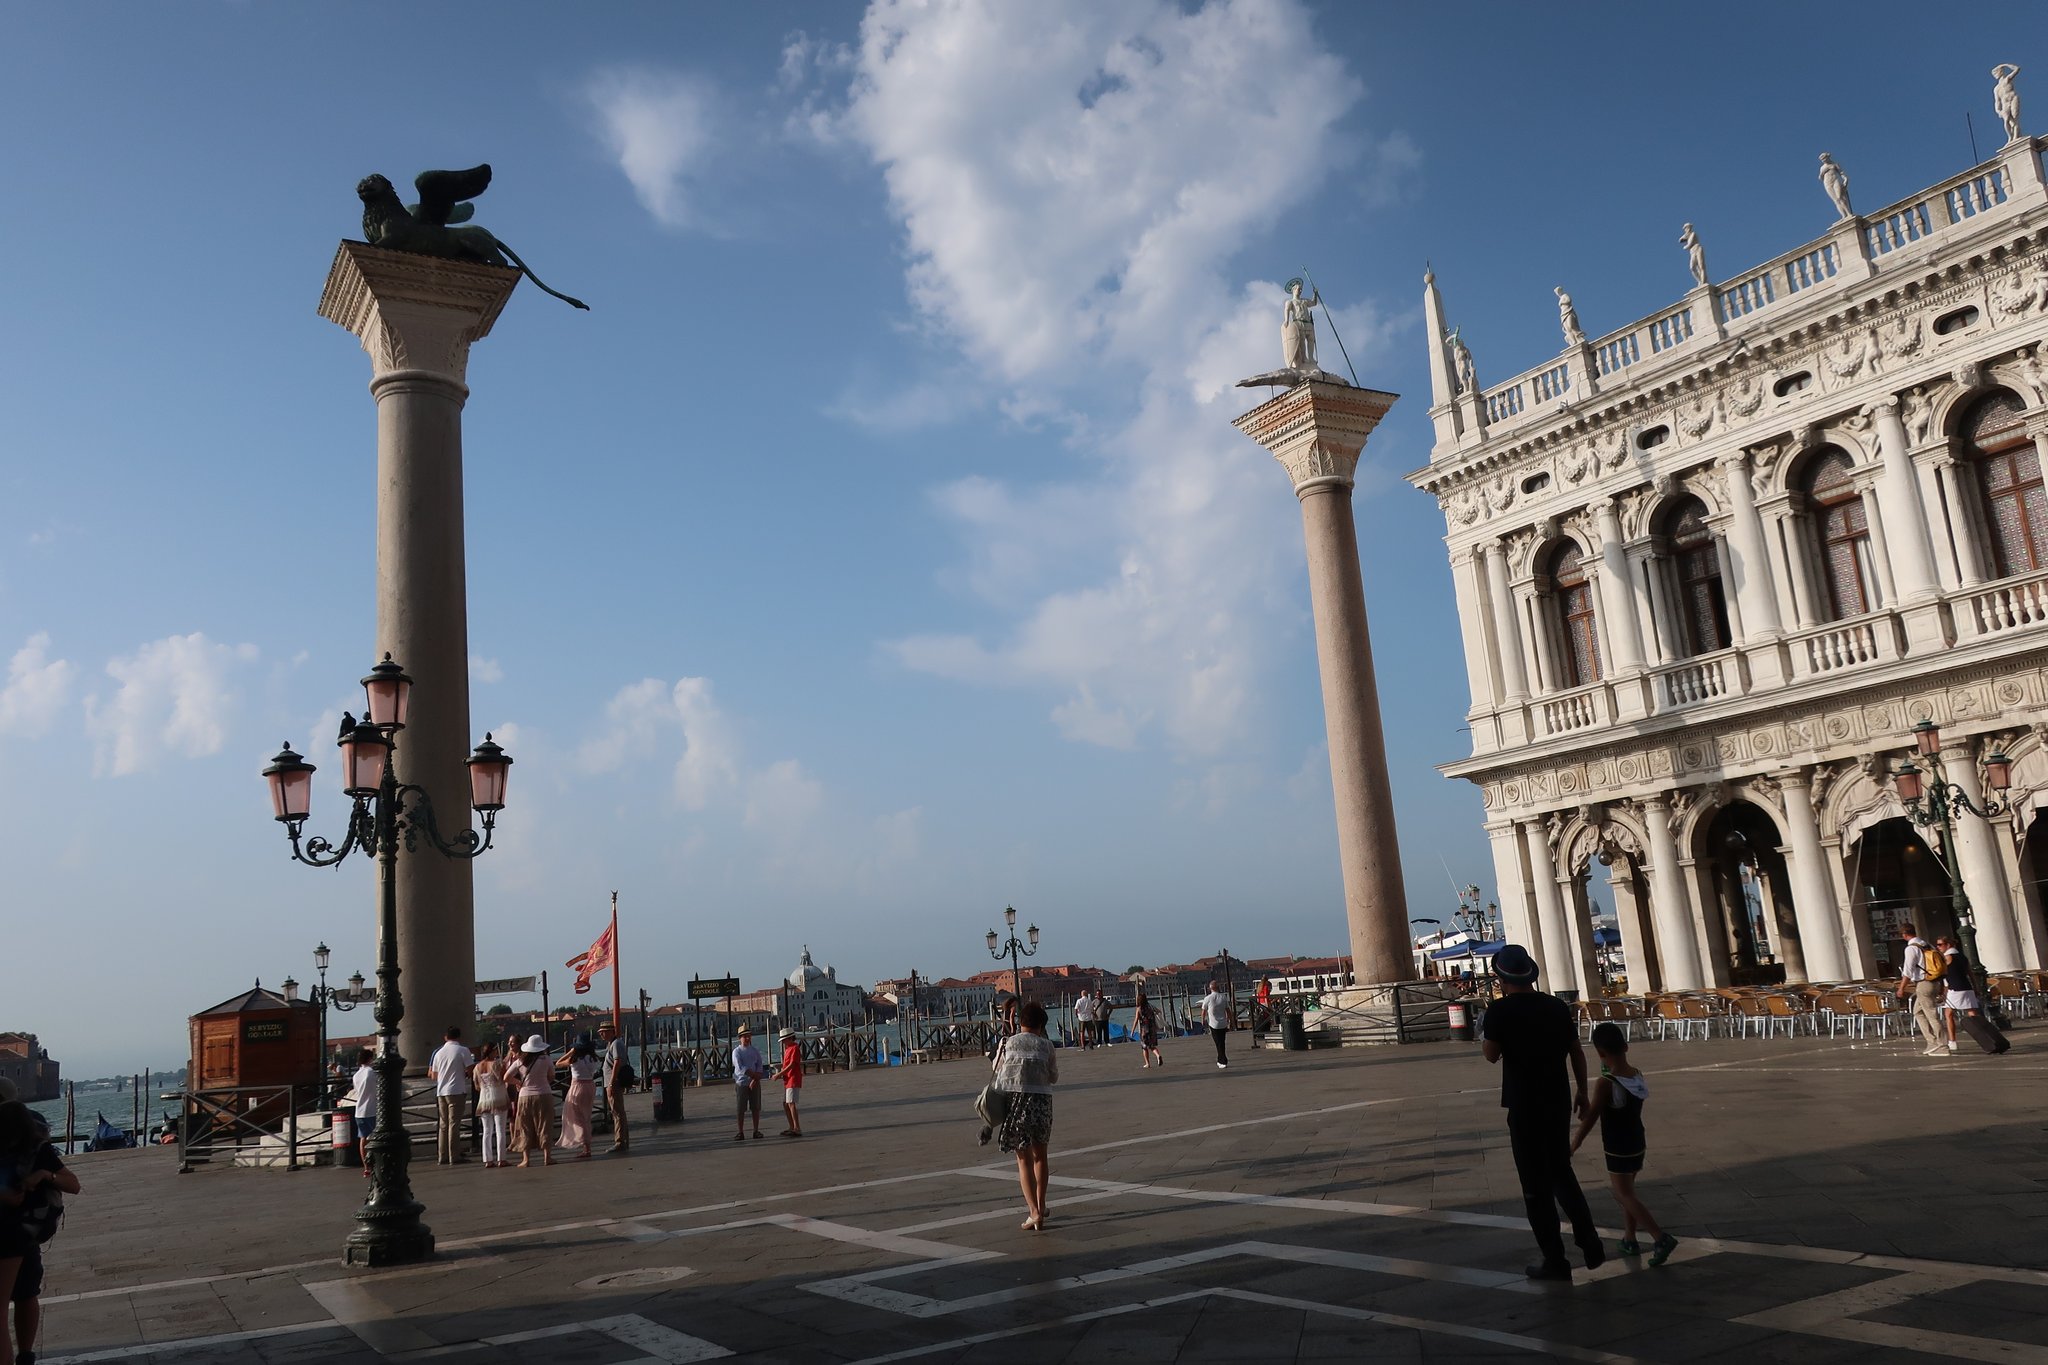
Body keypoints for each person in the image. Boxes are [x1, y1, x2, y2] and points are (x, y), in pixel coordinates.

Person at [1481, 944, 1603, 1282]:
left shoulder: (1499, 1012)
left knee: (1535, 1186)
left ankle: (1555, 1259)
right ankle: (1590, 1241)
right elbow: (1576, 1052)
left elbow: (1490, 1055)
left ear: (1500, 977)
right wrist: (1582, 1090)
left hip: (1523, 1103)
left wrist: (1491, 1029)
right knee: (1562, 1173)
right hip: (1558, 1099)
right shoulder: (1556, 1007)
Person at [1570, 1023, 1678, 1268]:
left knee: (1623, 1193)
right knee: (1630, 1191)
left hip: (1617, 1144)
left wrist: (1575, 1142)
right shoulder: (1636, 1075)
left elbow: (1593, 1115)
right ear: (1625, 1046)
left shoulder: (1605, 1082)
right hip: (1637, 1140)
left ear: (1599, 1052)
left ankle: (1660, 1237)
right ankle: (1629, 1238)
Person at [2, 1098, 79, 1365]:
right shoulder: (38, 1145)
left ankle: (22, 1356)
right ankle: (25, 1356)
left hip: (11, 1235)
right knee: (26, 1294)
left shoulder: (34, 1149)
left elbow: (73, 1184)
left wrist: (45, 1175)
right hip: (27, 1233)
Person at [991, 1000, 1059, 1231]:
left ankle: (1034, 1212)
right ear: (1041, 1024)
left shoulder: (1008, 1043)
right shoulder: (1047, 1045)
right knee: (1041, 1156)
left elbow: (997, 1074)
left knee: (1023, 1160)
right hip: (1042, 1102)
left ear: (1020, 1022)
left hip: (1017, 1103)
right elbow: (1054, 1077)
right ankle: (1042, 1205)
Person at [504, 1035, 556, 1169]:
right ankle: (547, 1157)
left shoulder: (520, 1061)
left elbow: (506, 1077)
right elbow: (552, 1076)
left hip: (525, 1096)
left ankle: (526, 1159)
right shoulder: (546, 1059)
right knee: (545, 1125)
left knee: (525, 1126)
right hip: (544, 1094)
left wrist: (519, 1082)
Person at [1895, 922, 1945, 1057]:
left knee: (1931, 1014)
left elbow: (1908, 971)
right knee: (1917, 1011)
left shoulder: (1911, 948)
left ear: (1904, 935)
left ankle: (1941, 1045)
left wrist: (1901, 988)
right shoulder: (1926, 944)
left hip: (1923, 983)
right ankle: (1932, 1041)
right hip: (1934, 981)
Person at [427, 1026, 474, 1166]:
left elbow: (434, 1076)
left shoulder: (438, 1053)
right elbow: (470, 1070)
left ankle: (442, 1156)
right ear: (459, 1037)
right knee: (454, 1124)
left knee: (443, 1124)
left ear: (445, 1037)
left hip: (441, 1091)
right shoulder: (463, 1050)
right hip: (456, 1090)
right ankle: (455, 1155)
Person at [555, 1036, 600, 1159]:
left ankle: (586, 1147)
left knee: (578, 1117)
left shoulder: (574, 1059)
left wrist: (570, 1052)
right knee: (586, 1115)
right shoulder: (593, 1058)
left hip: (577, 1086)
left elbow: (558, 1063)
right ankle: (586, 1145)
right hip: (590, 1085)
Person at [472, 1043, 510, 1169]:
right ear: (492, 1052)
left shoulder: (477, 1067)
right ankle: (501, 1158)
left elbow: (477, 1086)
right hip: (498, 1097)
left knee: (487, 1131)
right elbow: (504, 1078)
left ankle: (487, 1159)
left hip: (484, 1098)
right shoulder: (498, 1064)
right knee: (500, 1130)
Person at [597, 1022, 631, 1155]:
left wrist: (611, 1083)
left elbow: (617, 1062)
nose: (601, 1034)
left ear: (611, 1031)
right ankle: (622, 1140)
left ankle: (620, 1142)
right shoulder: (612, 1044)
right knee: (617, 1112)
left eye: (603, 1031)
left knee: (617, 1113)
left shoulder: (616, 1044)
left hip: (614, 1083)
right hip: (612, 1082)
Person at [732, 1026, 767, 1141]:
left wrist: (755, 1079)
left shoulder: (755, 1051)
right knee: (740, 1108)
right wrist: (754, 1076)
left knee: (756, 1107)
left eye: (748, 1036)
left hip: (754, 1082)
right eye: (745, 1036)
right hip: (741, 1082)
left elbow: (759, 1065)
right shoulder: (736, 1052)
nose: (747, 1038)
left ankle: (756, 1130)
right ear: (740, 1038)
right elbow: (740, 1067)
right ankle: (740, 1131)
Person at [348, 1048, 378, 1178]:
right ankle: (376, 1163)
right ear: (370, 1059)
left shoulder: (356, 1075)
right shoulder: (372, 1072)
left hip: (359, 1110)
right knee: (376, 1138)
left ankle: (366, 1167)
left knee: (363, 1139)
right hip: (371, 1109)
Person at [773, 1027, 804, 1137]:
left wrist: (779, 1074)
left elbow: (791, 1065)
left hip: (793, 1078)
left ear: (790, 1038)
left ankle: (796, 1127)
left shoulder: (794, 1048)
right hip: (788, 1079)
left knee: (791, 1103)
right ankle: (792, 1126)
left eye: (785, 1040)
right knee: (786, 1103)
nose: (783, 1042)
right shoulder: (788, 1049)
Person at [1199, 979, 1233, 1069]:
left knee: (1218, 1043)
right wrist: (1230, 1021)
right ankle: (1220, 1059)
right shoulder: (1223, 997)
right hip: (1223, 1023)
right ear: (1218, 988)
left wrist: (1202, 1020)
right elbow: (1228, 1010)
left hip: (1214, 1024)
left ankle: (1223, 1060)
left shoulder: (1207, 998)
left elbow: (1203, 1011)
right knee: (1222, 1042)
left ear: (1210, 989)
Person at [1132, 990, 1162, 1069]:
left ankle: (1147, 1063)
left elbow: (1136, 1020)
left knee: (1144, 1047)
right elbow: (1159, 1011)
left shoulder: (1139, 1009)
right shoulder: (1150, 1006)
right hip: (1152, 1029)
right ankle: (1158, 1055)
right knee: (1152, 1045)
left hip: (1144, 1030)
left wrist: (1132, 1030)